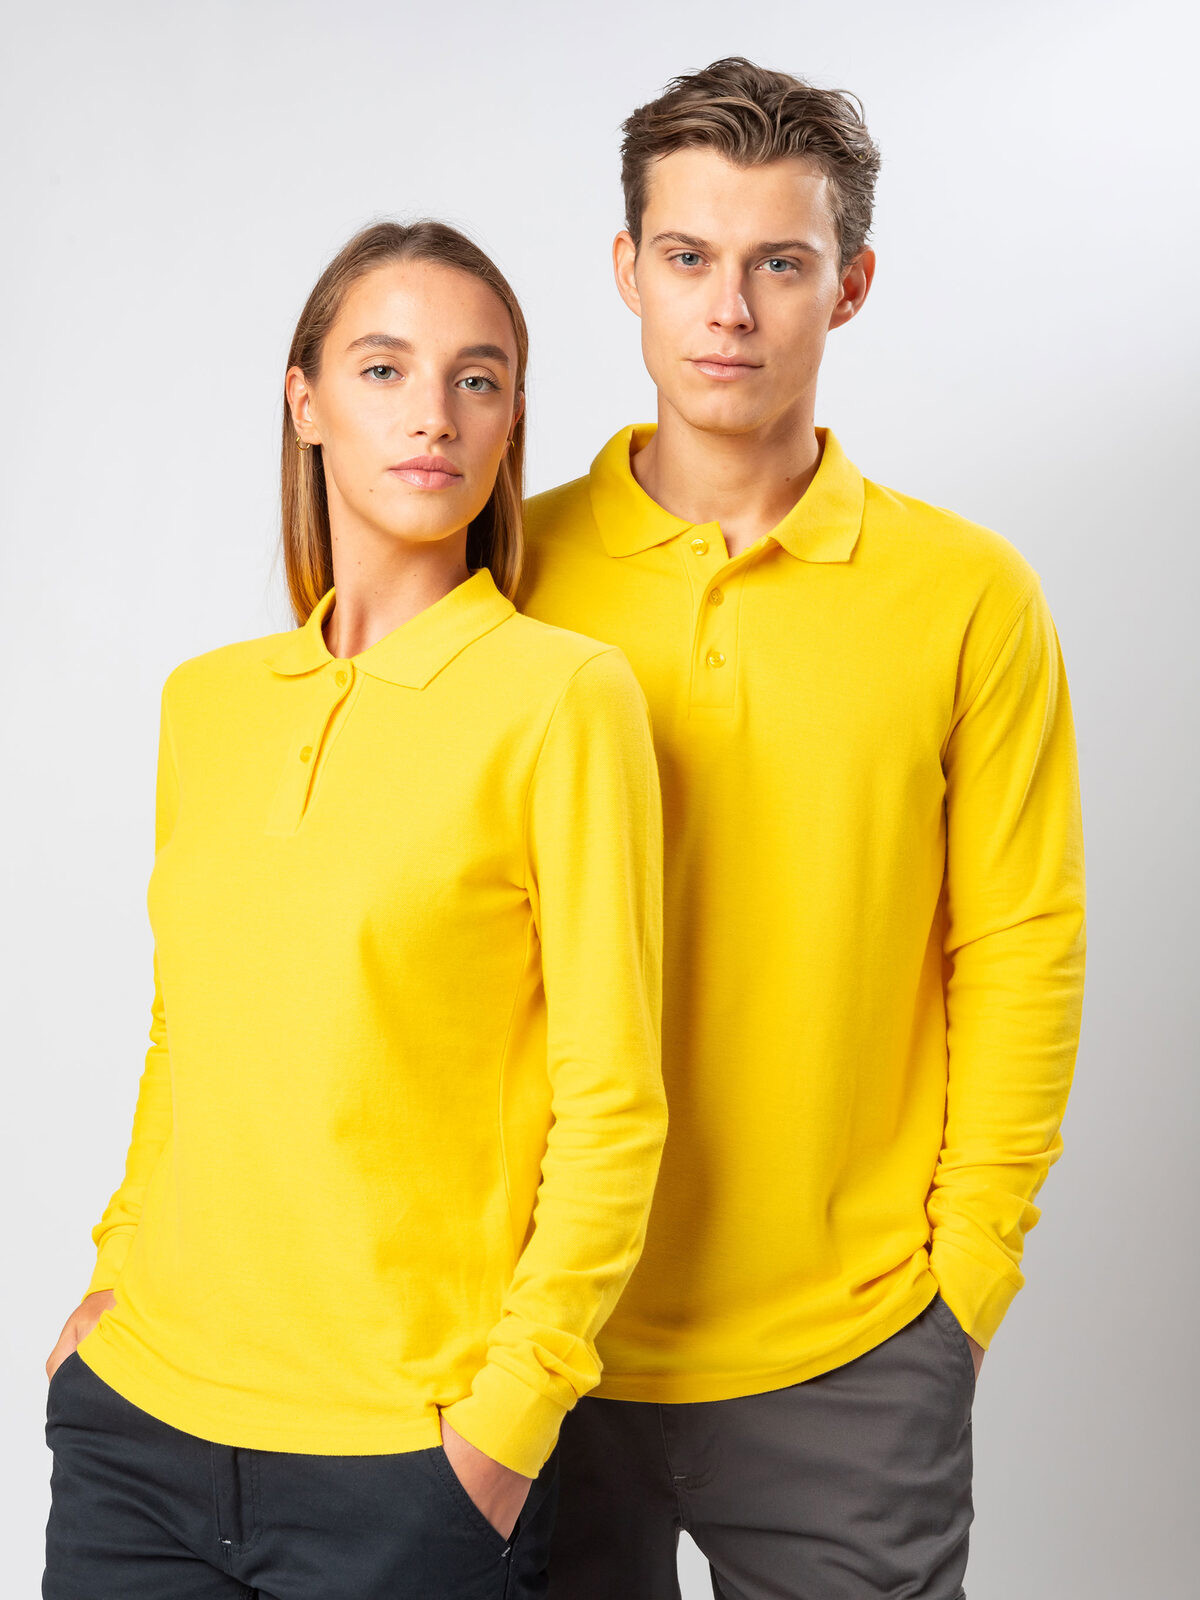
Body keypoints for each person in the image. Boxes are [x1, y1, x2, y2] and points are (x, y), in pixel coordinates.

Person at [516, 57, 1087, 1600]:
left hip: (853, 1354)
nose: (729, 310)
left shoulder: (967, 596)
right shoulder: (507, 569)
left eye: (780, 263)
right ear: (626, 271)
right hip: (532, 1343)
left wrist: (965, 1282)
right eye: (688, 257)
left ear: (851, 286)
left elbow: (1021, 947)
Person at [42, 218, 669, 1600]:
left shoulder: (564, 699)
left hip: (404, 1463)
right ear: (305, 401)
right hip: (139, 1430)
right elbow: (186, 1031)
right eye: (384, 369)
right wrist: (113, 1273)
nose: (433, 414)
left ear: (510, 420)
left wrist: (508, 1422)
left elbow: (614, 1103)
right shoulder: (208, 703)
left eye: (478, 379)